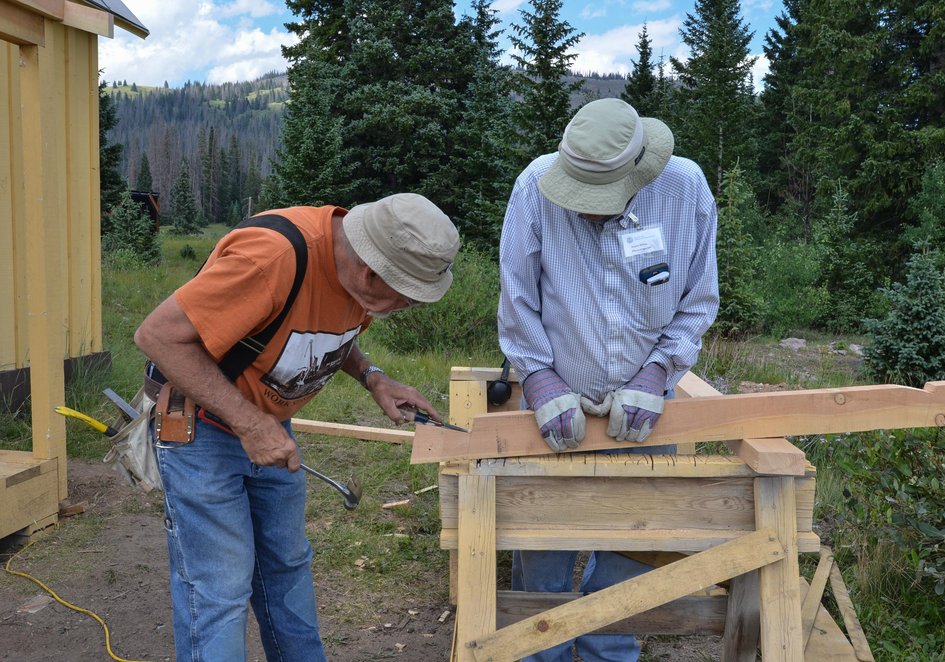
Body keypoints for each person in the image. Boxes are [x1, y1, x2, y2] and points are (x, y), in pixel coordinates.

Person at [134, 193, 460, 662]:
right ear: (370, 273)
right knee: (220, 587)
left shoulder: (356, 271)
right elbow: (157, 335)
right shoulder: (272, 259)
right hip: (202, 429)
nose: (408, 307)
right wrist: (249, 422)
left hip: (269, 428)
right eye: (406, 297)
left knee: (286, 567)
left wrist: (374, 378)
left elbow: (322, 328)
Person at [497, 98, 719, 661]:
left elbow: (698, 299)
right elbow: (517, 298)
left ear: (639, 173)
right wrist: (540, 378)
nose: (589, 212)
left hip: (650, 408)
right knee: (541, 557)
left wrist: (656, 372)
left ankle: (606, 652)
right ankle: (537, 651)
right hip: (554, 410)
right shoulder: (533, 188)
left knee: (629, 551)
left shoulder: (685, 188)